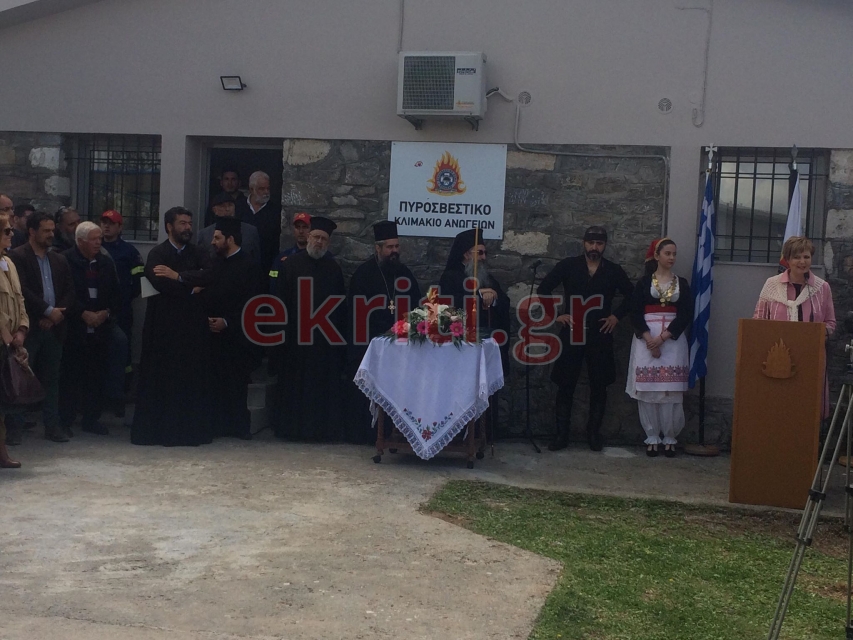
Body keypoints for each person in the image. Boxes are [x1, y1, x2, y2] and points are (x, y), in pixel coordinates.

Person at [537, 226, 634, 452]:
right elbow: (544, 289)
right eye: (591, 243)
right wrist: (556, 315)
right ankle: (561, 434)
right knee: (565, 384)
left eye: (599, 243)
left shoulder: (613, 270)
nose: (594, 247)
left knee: (599, 385)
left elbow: (632, 295)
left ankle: (593, 434)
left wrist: (616, 317)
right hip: (572, 331)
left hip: (600, 333)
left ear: (605, 245)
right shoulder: (569, 266)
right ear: (584, 243)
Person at [131, 207, 214, 447]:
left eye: (189, 223)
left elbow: (209, 275)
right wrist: (191, 288)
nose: (187, 228)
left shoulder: (199, 252)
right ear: (169, 226)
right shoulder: (158, 253)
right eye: (182, 223)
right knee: (161, 379)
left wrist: (177, 276)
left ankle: (190, 433)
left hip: (192, 328)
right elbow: (158, 283)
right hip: (163, 328)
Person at [271, 216, 346, 441]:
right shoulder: (290, 265)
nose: (319, 242)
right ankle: (291, 430)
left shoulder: (333, 269)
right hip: (296, 339)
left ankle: (320, 431)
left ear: (328, 243)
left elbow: (339, 307)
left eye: (324, 239)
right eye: (316, 237)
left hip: (323, 342)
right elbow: (280, 302)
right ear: (309, 237)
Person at [346, 221, 422, 443]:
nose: (394, 251)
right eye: (389, 247)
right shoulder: (363, 275)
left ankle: (398, 433)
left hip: (401, 348)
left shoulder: (405, 274)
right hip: (370, 345)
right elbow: (355, 314)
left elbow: (416, 308)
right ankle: (368, 435)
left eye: (397, 246)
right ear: (377, 248)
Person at [8, 212, 76, 443]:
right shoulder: (17, 257)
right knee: (20, 376)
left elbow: (69, 290)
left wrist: (56, 315)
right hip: (30, 326)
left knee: (52, 378)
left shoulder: (59, 259)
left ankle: (52, 425)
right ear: (32, 231)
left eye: (52, 230)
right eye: (45, 231)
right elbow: (22, 291)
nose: (50, 234)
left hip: (54, 328)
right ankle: (15, 427)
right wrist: (46, 311)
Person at [754, 236, 836, 417]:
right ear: (788, 260)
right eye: (797, 257)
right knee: (778, 411)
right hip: (777, 360)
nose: (802, 262)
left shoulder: (822, 288)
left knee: (805, 412)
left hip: (810, 358)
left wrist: (819, 333)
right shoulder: (771, 285)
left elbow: (831, 323)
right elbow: (758, 320)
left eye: (806, 257)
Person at [626, 238, 692, 457]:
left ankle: (670, 436)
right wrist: (649, 340)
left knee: (670, 389)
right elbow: (635, 312)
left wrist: (663, 338)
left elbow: (685, 313)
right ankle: (652, 436)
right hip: (646, 339)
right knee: (649, 389)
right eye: (667, 253)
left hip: (672, 340)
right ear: (657, 256)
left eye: (674, 254)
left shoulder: (682, 283)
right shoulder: (644, 283)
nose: (672, 258)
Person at [199, 217, 263, 439]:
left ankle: (237, 426)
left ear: (230, 239)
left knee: (235, 383)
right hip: (212, 335)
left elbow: (252, 303)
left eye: (217, 238)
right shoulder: (213, 263)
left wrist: (227, 321)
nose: (213, 242)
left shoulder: (250, 266)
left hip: (237, 336)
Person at [60, 222, 123, 435]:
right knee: (70, 376)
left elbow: (116, 294)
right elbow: (63, 293)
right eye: (94, 239)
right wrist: (81, 313)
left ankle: (91, 418)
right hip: (74, 328)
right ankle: (65, 420)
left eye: (100, 239)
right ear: (80, 241)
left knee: (96, 375)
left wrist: (105, 313)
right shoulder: (64, 261)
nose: (98, 243)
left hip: (100, 327)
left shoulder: (105, 262)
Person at [439, 228, 511, 358]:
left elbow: (504, 301)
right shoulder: (450, 277)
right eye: (480, 253)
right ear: (466, 254)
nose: (484, 257)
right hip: (463, 344)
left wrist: (493, 297)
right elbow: (448, 304)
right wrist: (479, 295)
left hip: (488, 341)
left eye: (485, 253)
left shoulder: (487, 278)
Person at [100, 209, 144, 412]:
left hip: (122, 311)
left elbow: (139, 281)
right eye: (104, 222)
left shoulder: (129, 252)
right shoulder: (95, 247)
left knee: (123, 352)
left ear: (120, 227)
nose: (106, 226)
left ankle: (121, 395)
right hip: (98, 310)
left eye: (111, 223)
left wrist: (123, 299)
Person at [0, 211, 30, 468]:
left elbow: (19, 299)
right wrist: (7, 336)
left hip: (10, 340)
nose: (11, 234)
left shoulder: (8, 263)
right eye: (6, 231)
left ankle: (2, 453)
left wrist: (22, 328)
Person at [197, 192, 262, 267]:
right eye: (222, 206)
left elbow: (257, 259)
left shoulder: (250, 231)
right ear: (214, 210)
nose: (227, 209)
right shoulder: (204, 234)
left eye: (230, 205)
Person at [242, 171, 282, 272]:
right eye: (262, 189)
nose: (266, 192)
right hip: (241, 265)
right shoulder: (239, 208)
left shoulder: (276, 212)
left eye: (268, 188)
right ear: (251, 189)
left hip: (266, 265)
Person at [268, 212, 311, 292]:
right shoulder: (281, 258)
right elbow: (273, 282)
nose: (301, 231)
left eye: (305, 227)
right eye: (297, 227)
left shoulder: (317, 256)